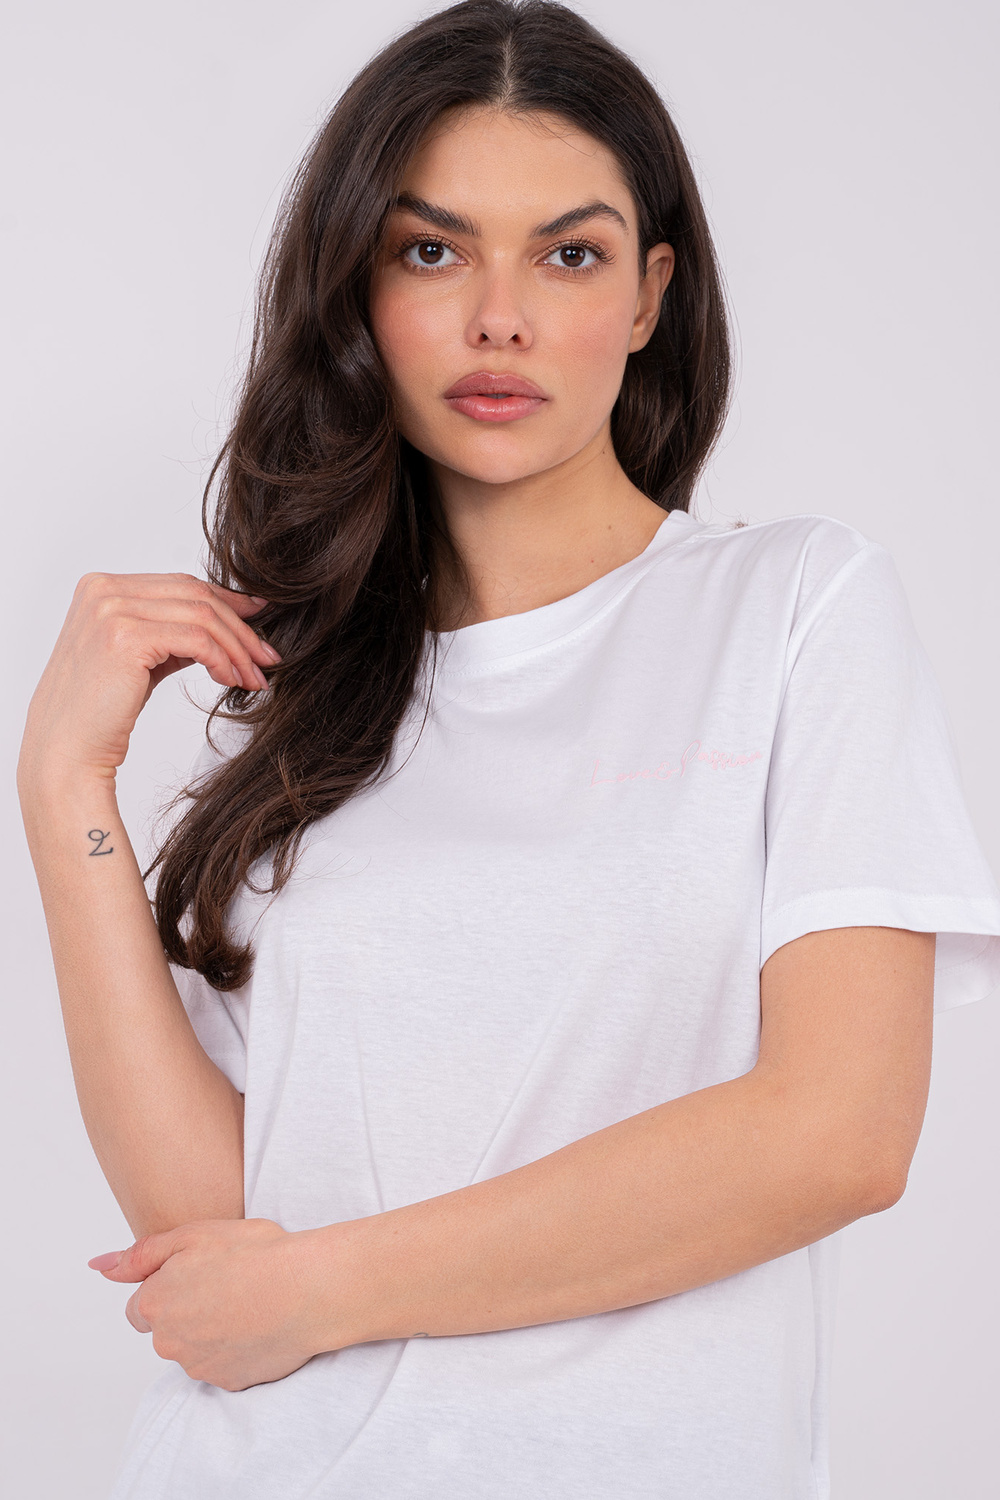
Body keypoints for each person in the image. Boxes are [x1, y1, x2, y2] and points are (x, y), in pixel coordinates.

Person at [17, 2, 1000, 1496]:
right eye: (432, 251)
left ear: (653, 293)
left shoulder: (794, 607)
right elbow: (210, 1225)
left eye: (569, 254)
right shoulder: (317, 695)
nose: (500, 319)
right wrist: (62, 788)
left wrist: (327, 1290)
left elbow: (837, 1134)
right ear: (358, 289)